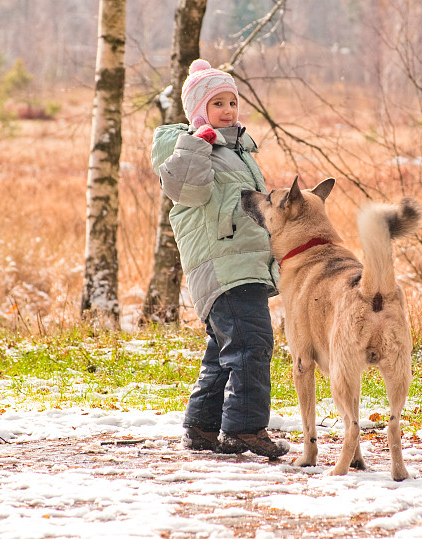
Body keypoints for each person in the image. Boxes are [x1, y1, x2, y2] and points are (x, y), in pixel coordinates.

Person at [150, 59, 288, 459]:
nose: (228, 110)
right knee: (252, 345)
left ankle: (203, 428)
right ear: (198, 111)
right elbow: (186, 191)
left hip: (243, 263)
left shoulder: (237, 149)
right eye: (217, 104)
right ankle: (243, 430)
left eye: (232, 102)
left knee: (225, 349)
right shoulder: (192, 148)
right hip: (222, 265)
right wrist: (198, 140)